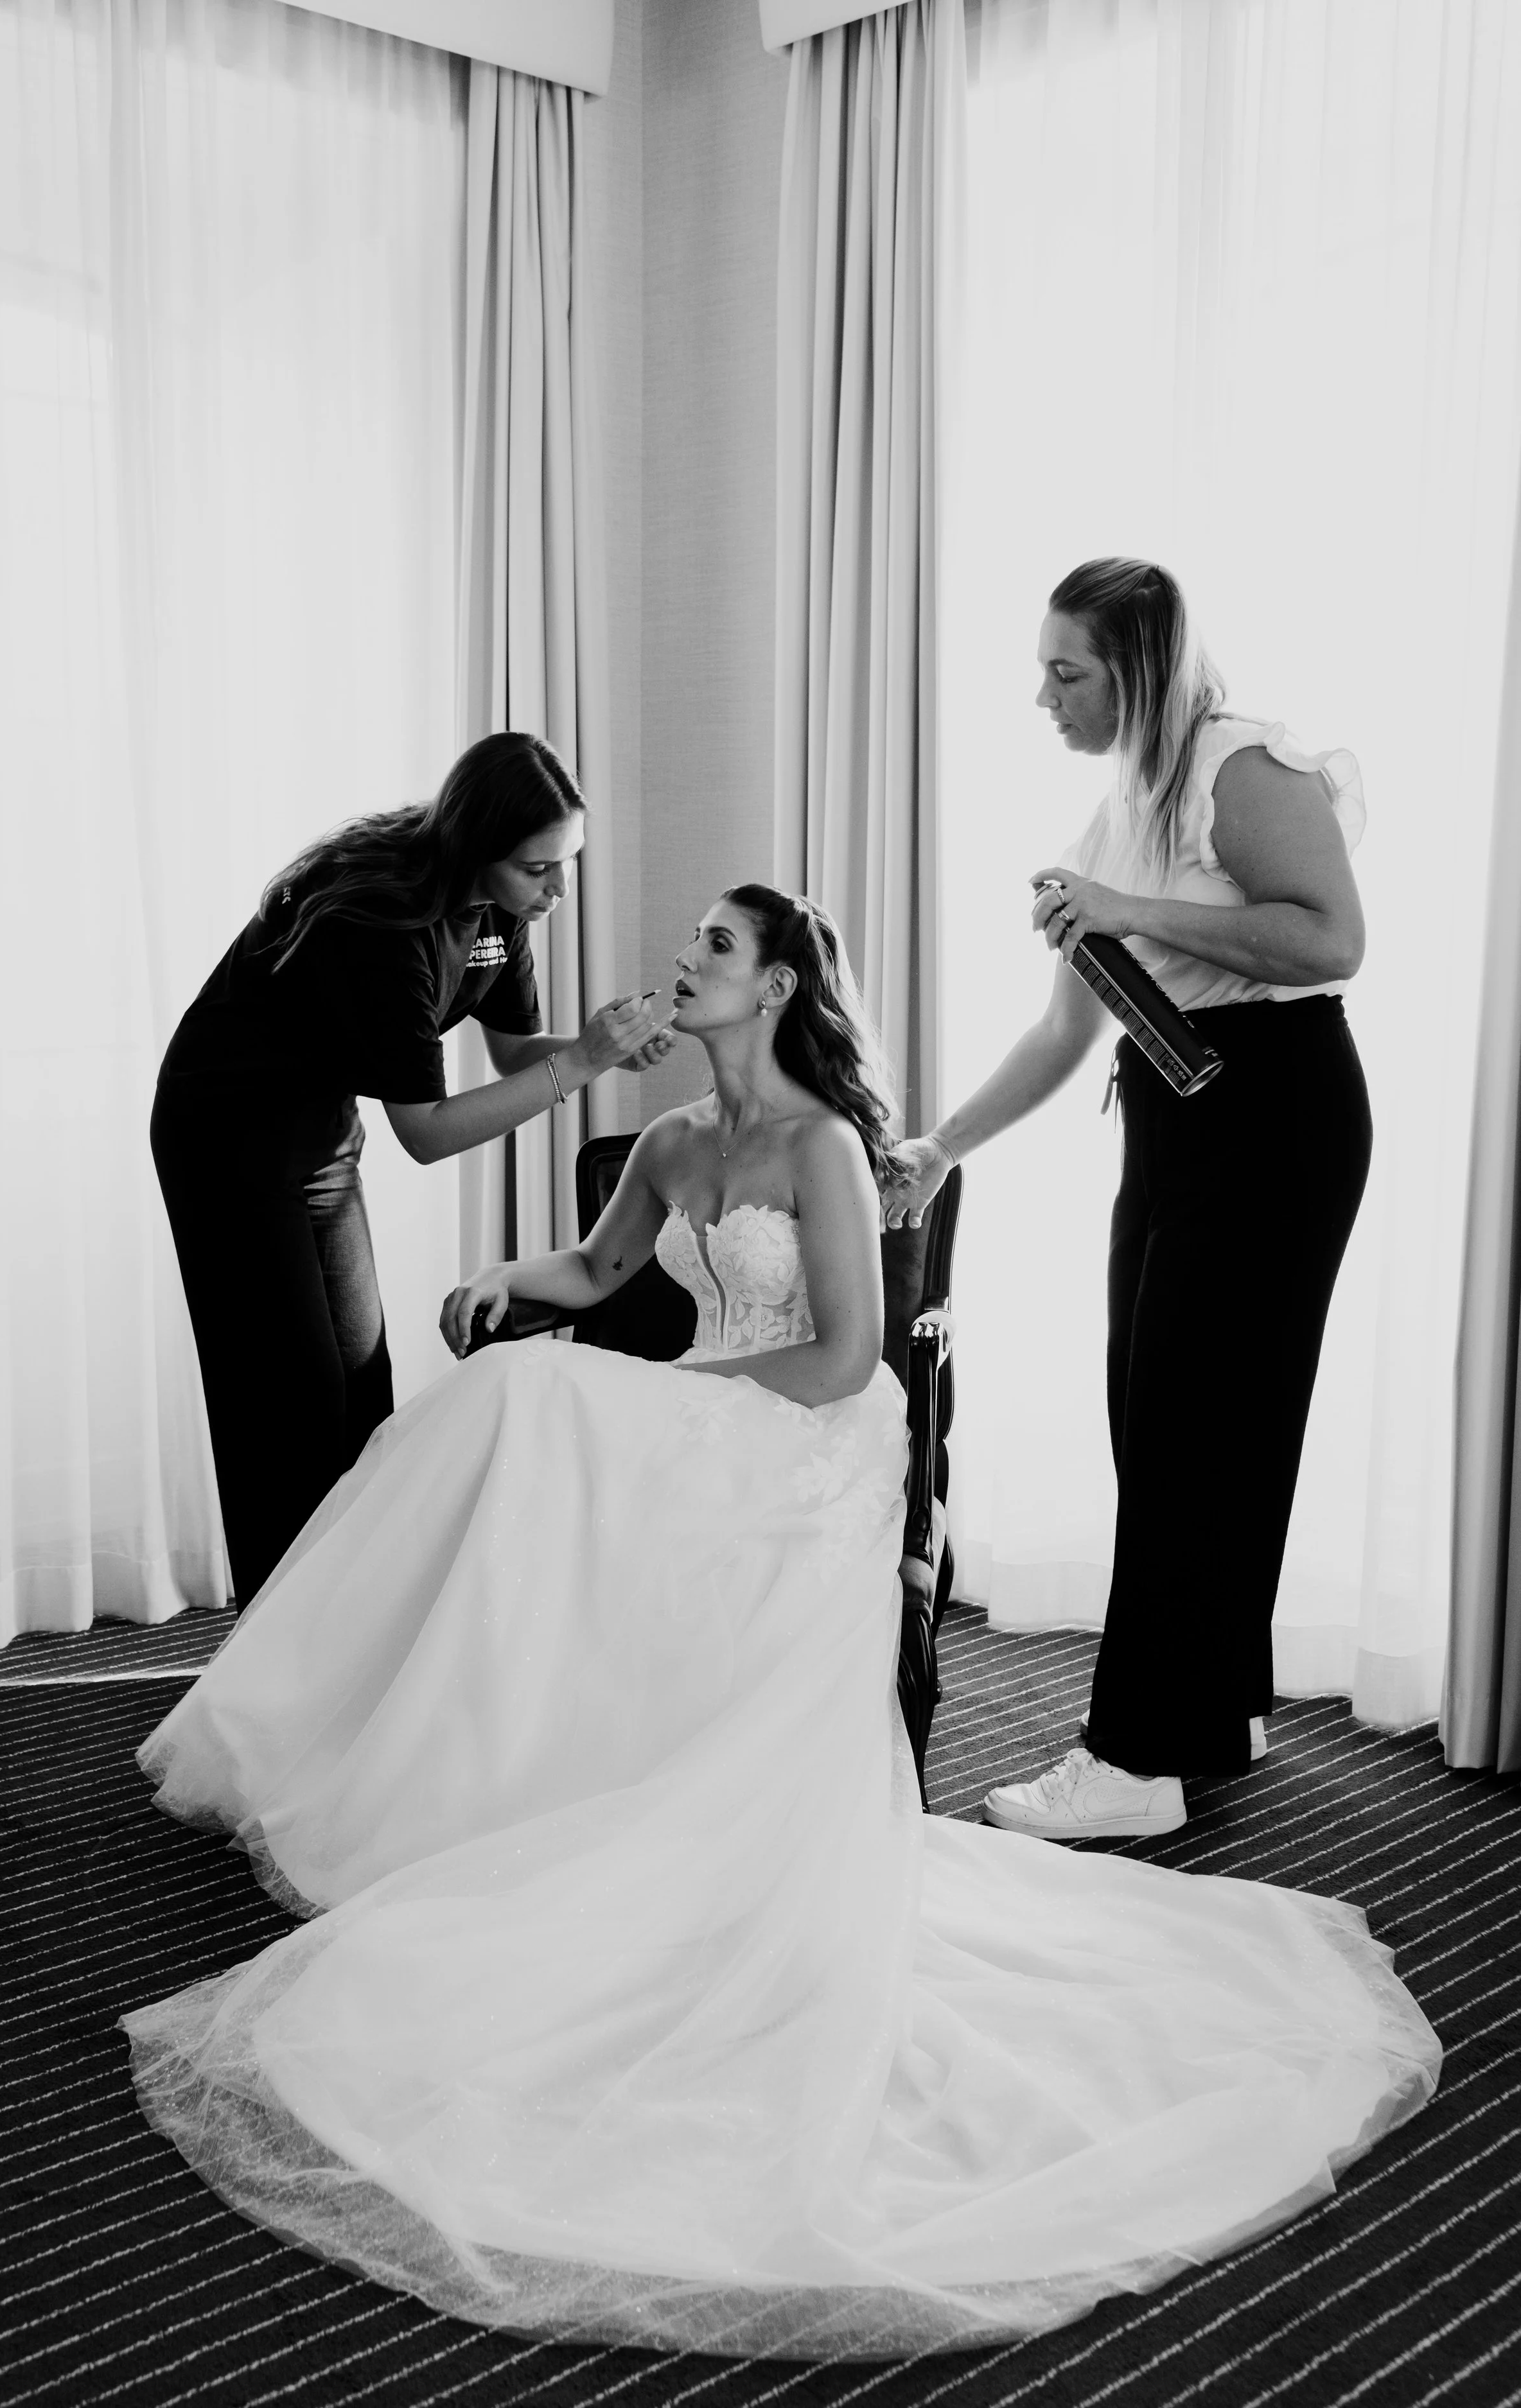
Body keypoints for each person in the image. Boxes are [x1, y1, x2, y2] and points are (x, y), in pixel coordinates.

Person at [123, 883, 1436, 2361]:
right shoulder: (674, 1141)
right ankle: (457, 1741)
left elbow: (838, 1360)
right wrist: (502, 1281)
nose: (685, 961)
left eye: (718, 950)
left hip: (805, 1439)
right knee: (514, 1388)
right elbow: (599, 1276)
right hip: (695, 1418)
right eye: (690, 943)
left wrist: (655, 1399)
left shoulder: (823, 1146)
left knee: (554, 1406)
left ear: (782, 986)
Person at [882, 559, 1371, 1842]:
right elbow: (1060, 1034)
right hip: (1171, 1117)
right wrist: (940, 1146)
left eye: (1066, 671)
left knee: (1194, 1425)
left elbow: (1329, 942)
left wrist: (1120, 909)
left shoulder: (1237, 764)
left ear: (1138, 667)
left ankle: (1135, 1761)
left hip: (1273, 1114)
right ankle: (1208, 1706)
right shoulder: (1117, 811)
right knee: (1163, 1418)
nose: (1042, 698)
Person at [150, 731, 669, 1610]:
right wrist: (579, 1063)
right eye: (541, 869)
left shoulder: (502, 915)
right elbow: (425, 1133)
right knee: (288, 1413)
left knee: (361, 1395)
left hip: (321, 1137)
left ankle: (342, 1639)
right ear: (478, 850)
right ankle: (275, 1662)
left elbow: (512, 1057)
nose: (561, 890)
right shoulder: (379, 922)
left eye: (569, 863)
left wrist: (599, 1054)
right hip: (227, 1141)